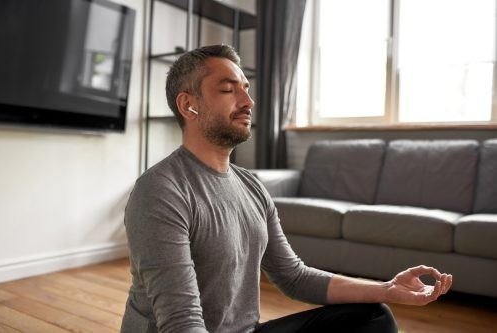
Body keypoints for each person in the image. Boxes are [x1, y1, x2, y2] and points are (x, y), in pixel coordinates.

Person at [120, 44, 452, 333]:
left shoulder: (251, 185)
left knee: (372, 318)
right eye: (228, 89)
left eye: (247, 89)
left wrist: (387, 289)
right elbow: (181, 322)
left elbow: (293, 277)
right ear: (189, 105)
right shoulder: (161, 191)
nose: (248, 101)